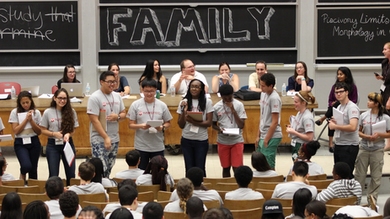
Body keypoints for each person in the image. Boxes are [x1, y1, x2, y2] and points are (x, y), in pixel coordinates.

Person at [87, 71, 126, 177]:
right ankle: (99, 190)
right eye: (109, 82)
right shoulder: (95, 97)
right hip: (100, 140)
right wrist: (106, 137)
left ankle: (106, 189)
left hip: (115, 138)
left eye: (114, 81)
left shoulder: (117, 96)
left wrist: (117, 117)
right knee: (100, 170)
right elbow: (94, 120)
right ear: (101, 82)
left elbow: (123, 114)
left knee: (109, 168)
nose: (112, 84)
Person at [128, 79, 172, 170]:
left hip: (157, 145)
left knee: (158, 172)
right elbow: (130, 125)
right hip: (141, 146)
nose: (149, 94)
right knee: (141, 171)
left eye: (151, 91)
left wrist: (162, 127)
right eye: (146, 91)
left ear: (156, 90)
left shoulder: (162, 105)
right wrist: (141, 126)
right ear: (142, 90)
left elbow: (168, 122)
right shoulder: (135, 105)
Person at [355, 92, 390, 204]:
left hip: (378, 149)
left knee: (376, 177)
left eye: (370, 101)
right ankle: (357, 199)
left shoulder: (385, 118)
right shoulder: (363, 115)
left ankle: (372, 200)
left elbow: (389, 133)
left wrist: (379, 135)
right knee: (359, 175)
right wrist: (367, 136)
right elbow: (359, 131)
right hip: (364, 148)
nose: (368, 102)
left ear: (376, 104)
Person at [39, 88, 78, 186]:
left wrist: (69, 134)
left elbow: (74, 129)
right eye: (60, 98)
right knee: (53, 174)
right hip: (53, 145)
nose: (62, 100)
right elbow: (42, 129)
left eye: (65, 98)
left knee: (71, 173)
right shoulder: (48, 112)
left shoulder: (71, 111)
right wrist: (53, 134)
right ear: (55, 98)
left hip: (68, 144)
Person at [315, 67, 358, 152]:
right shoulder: (334, 86)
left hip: (345, 108)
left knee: (334, 109)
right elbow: (330, 99)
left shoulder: (352, 87)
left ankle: (323, 118)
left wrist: (340, 101)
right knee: (332, 117)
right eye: (338, 74)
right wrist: (332, 103)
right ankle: (330, 143)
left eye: (341, 74)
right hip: (334, 108)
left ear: (346, 75)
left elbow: (354, 100)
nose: (339, 76)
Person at [177, 79, 213, 176]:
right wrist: (184, 111)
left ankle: (201, 189)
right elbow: (180, 125)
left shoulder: (207, 102)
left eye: (197, 87)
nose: (194, 89)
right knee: (189, 168)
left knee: (200, 167)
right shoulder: (184, 102)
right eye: (192, 86)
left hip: (201, 140)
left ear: (201, 89)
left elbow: (209, 123)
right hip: (187, 139)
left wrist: (194, 122)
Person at [212, 84, 246, 177]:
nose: (227, 99)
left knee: (237, 168)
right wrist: (219, 129)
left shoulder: (239, 105)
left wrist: (233, 110)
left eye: (229, 97)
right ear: (221, 96)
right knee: (226, 168)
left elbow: (241, 125)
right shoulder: (216, 107)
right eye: (225, 97)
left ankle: (239, 188)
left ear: (233, 94)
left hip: (237, 140)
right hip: (223, 141)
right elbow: (213, 125)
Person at [8, 90, 42, 183]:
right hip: (20, 142)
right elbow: (16, 131)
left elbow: (39, 131)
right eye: (23, 103)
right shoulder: (14, 112)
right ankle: (22, 175)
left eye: (27, 102)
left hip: (34, 141)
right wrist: (26, 120)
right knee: (26, 165)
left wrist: (31, 121)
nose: (25, 105)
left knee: (33, 169)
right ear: (19, 103)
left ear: (31, 101)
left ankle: (32, 189)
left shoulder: (37, 112)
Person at [328, 81, 360, 178]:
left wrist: (335, 126)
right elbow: (343, 122)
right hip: (339, 143)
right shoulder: (339, 106)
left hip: (349, 146)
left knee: (346, 174)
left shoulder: (352, 107)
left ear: (347, 92)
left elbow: (353, 127)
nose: (338, 94)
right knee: (338, 173)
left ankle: (349, 193)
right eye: (336, 92)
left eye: (341, 92)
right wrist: (335, 122)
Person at [256, 73, 282, 169]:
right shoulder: (263, 94)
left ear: (271, 86)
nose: (261, 88)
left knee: (268, 164)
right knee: (260, 162)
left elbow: (275, 122)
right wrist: (257, 135)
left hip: (272, 135)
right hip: (263, 132)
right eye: (260, 85)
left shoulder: (274, 98)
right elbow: (262, 116)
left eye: (263, 86)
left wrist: (266, 139)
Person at [286, 90, 315, 160]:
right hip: (296, 144)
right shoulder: (299, 113)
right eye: (294, 101)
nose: (294, 104)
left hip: (302, 146)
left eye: (296, 102)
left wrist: (294, 132)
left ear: (303, 103)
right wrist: (292, 127)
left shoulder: (307, 117)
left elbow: (309, 137)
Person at [377, 42, 390, 112]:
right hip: (385, 90)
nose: (383, 52)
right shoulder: (384, 63)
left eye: (385, 49)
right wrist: (381, 77)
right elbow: (387, 78)